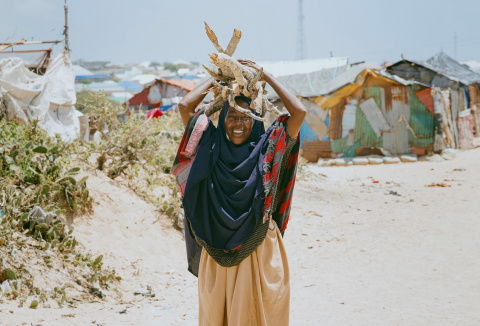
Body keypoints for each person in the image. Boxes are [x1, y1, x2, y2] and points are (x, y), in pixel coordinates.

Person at [172, 59, 306, 326]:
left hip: (259, 250)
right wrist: (220, 80)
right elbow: (186, 106)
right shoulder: (209, 145)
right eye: (231, 115)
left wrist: (265, 76)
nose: (238, 123)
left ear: (254, 120)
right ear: (222, 118)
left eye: (245, 117)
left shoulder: (270, 145)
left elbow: (299, 113)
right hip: (216, 249)